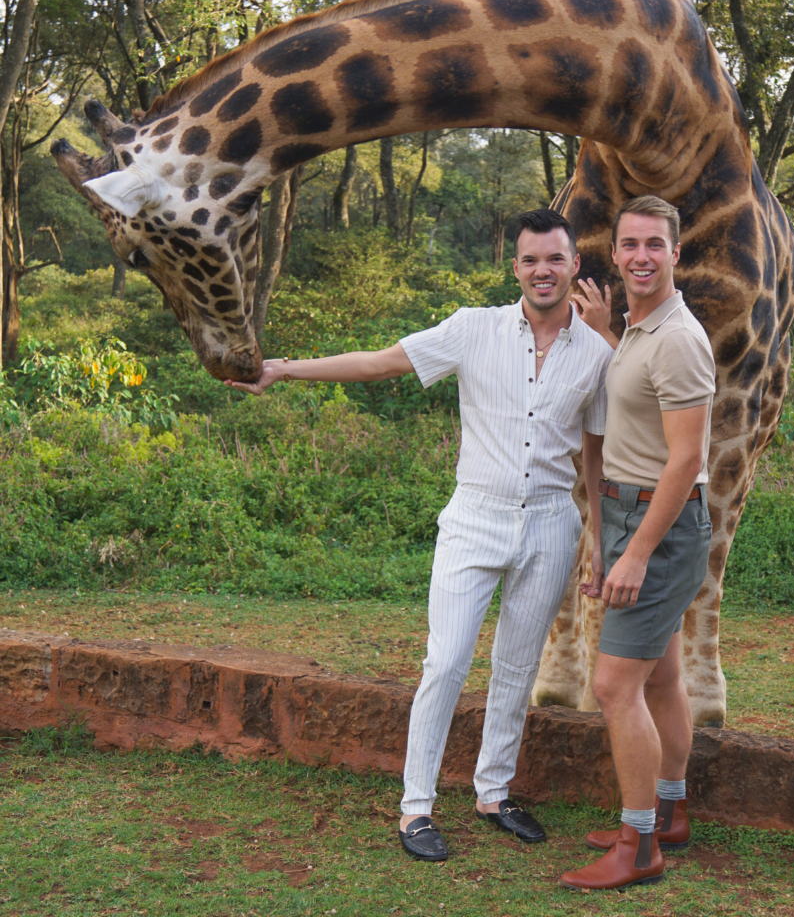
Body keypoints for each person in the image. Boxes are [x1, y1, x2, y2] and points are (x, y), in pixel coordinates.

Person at [226, 208, 612, 862]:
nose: (542, 270)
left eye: (554, 259)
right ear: (514, 267)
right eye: (529, 259)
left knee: (517, 666)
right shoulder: (473, 329)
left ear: (575, 265)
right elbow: (381, 363)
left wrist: (599, 537)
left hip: (552, 521)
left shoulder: (598, 353)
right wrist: (284, 369)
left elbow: (597, 455)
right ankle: (416, 809)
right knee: (446, 662)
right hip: (474, 518)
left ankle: (494, 793)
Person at [560, 194, 716, 891]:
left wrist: (636, 550)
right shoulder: (645, 330)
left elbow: (685, 460)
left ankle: (640, 844)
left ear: (676, 253)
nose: (642, 257)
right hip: (633, 516)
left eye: (656, 244)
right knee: (659, 677)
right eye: (630, 245)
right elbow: (635, 402)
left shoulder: (679, 338)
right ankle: (669, 813)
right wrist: (605, 335)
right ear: (616, 253)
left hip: (660, 522)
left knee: (613, 685)